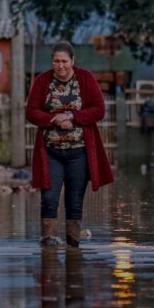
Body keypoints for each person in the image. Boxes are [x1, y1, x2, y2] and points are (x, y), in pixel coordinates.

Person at [26, 41, 114, 246]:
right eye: (56, 61)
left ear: (72, 61)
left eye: (64, 61)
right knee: (49, 198)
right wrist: (54, 119)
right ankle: (48, 243)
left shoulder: (86, 78)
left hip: (79, 152)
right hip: (50, 152)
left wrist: (72, 117)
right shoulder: (42, 81)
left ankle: (73, 246)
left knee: (74, 202)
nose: (60, 65)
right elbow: (31, 111)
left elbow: (99, 109)